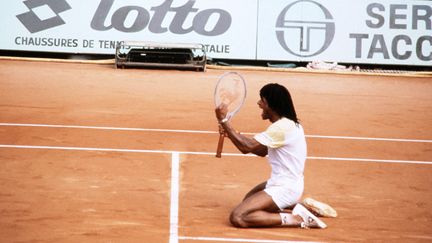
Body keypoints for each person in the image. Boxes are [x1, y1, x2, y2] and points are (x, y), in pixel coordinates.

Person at [215, 83, 327, 229]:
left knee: (239, 216)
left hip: (286, 187)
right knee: (248, 201)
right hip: (286, 182)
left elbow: (246, 147)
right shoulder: (289, 124)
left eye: (261, 100)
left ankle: (297, 219)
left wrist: (224, 121)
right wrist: (231, 134)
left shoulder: (282, 127)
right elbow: (262, 151)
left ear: (269, 104)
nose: (258, 103)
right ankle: (299, 206)